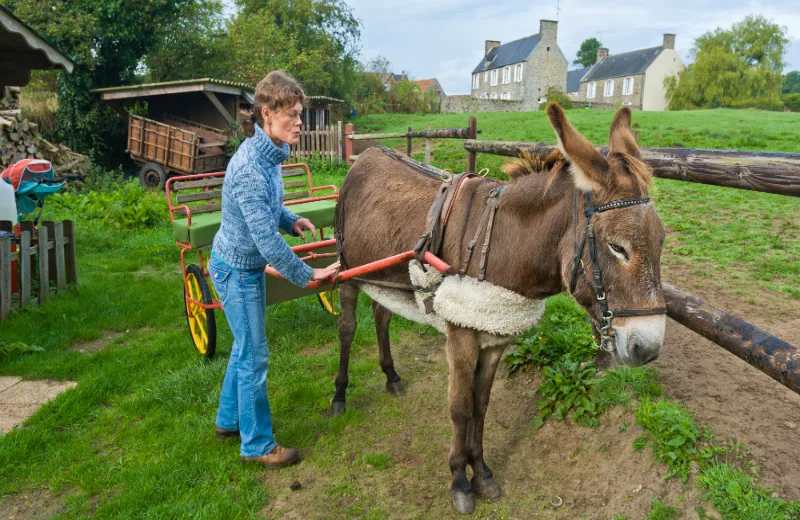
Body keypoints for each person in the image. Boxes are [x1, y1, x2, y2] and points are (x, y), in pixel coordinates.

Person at [208, 70, 339, 468]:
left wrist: (291, 219)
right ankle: (258, 446)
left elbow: (269, 210)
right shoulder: (250, 168)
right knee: (254, 356)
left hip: (241, 266)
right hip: (236, 271)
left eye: (300, 114)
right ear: (267, 115)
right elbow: (265, 243)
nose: (300, 122)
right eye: (292, 115)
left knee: (245, 348)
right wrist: (307, 274)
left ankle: (228, 421)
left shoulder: (268, 155)